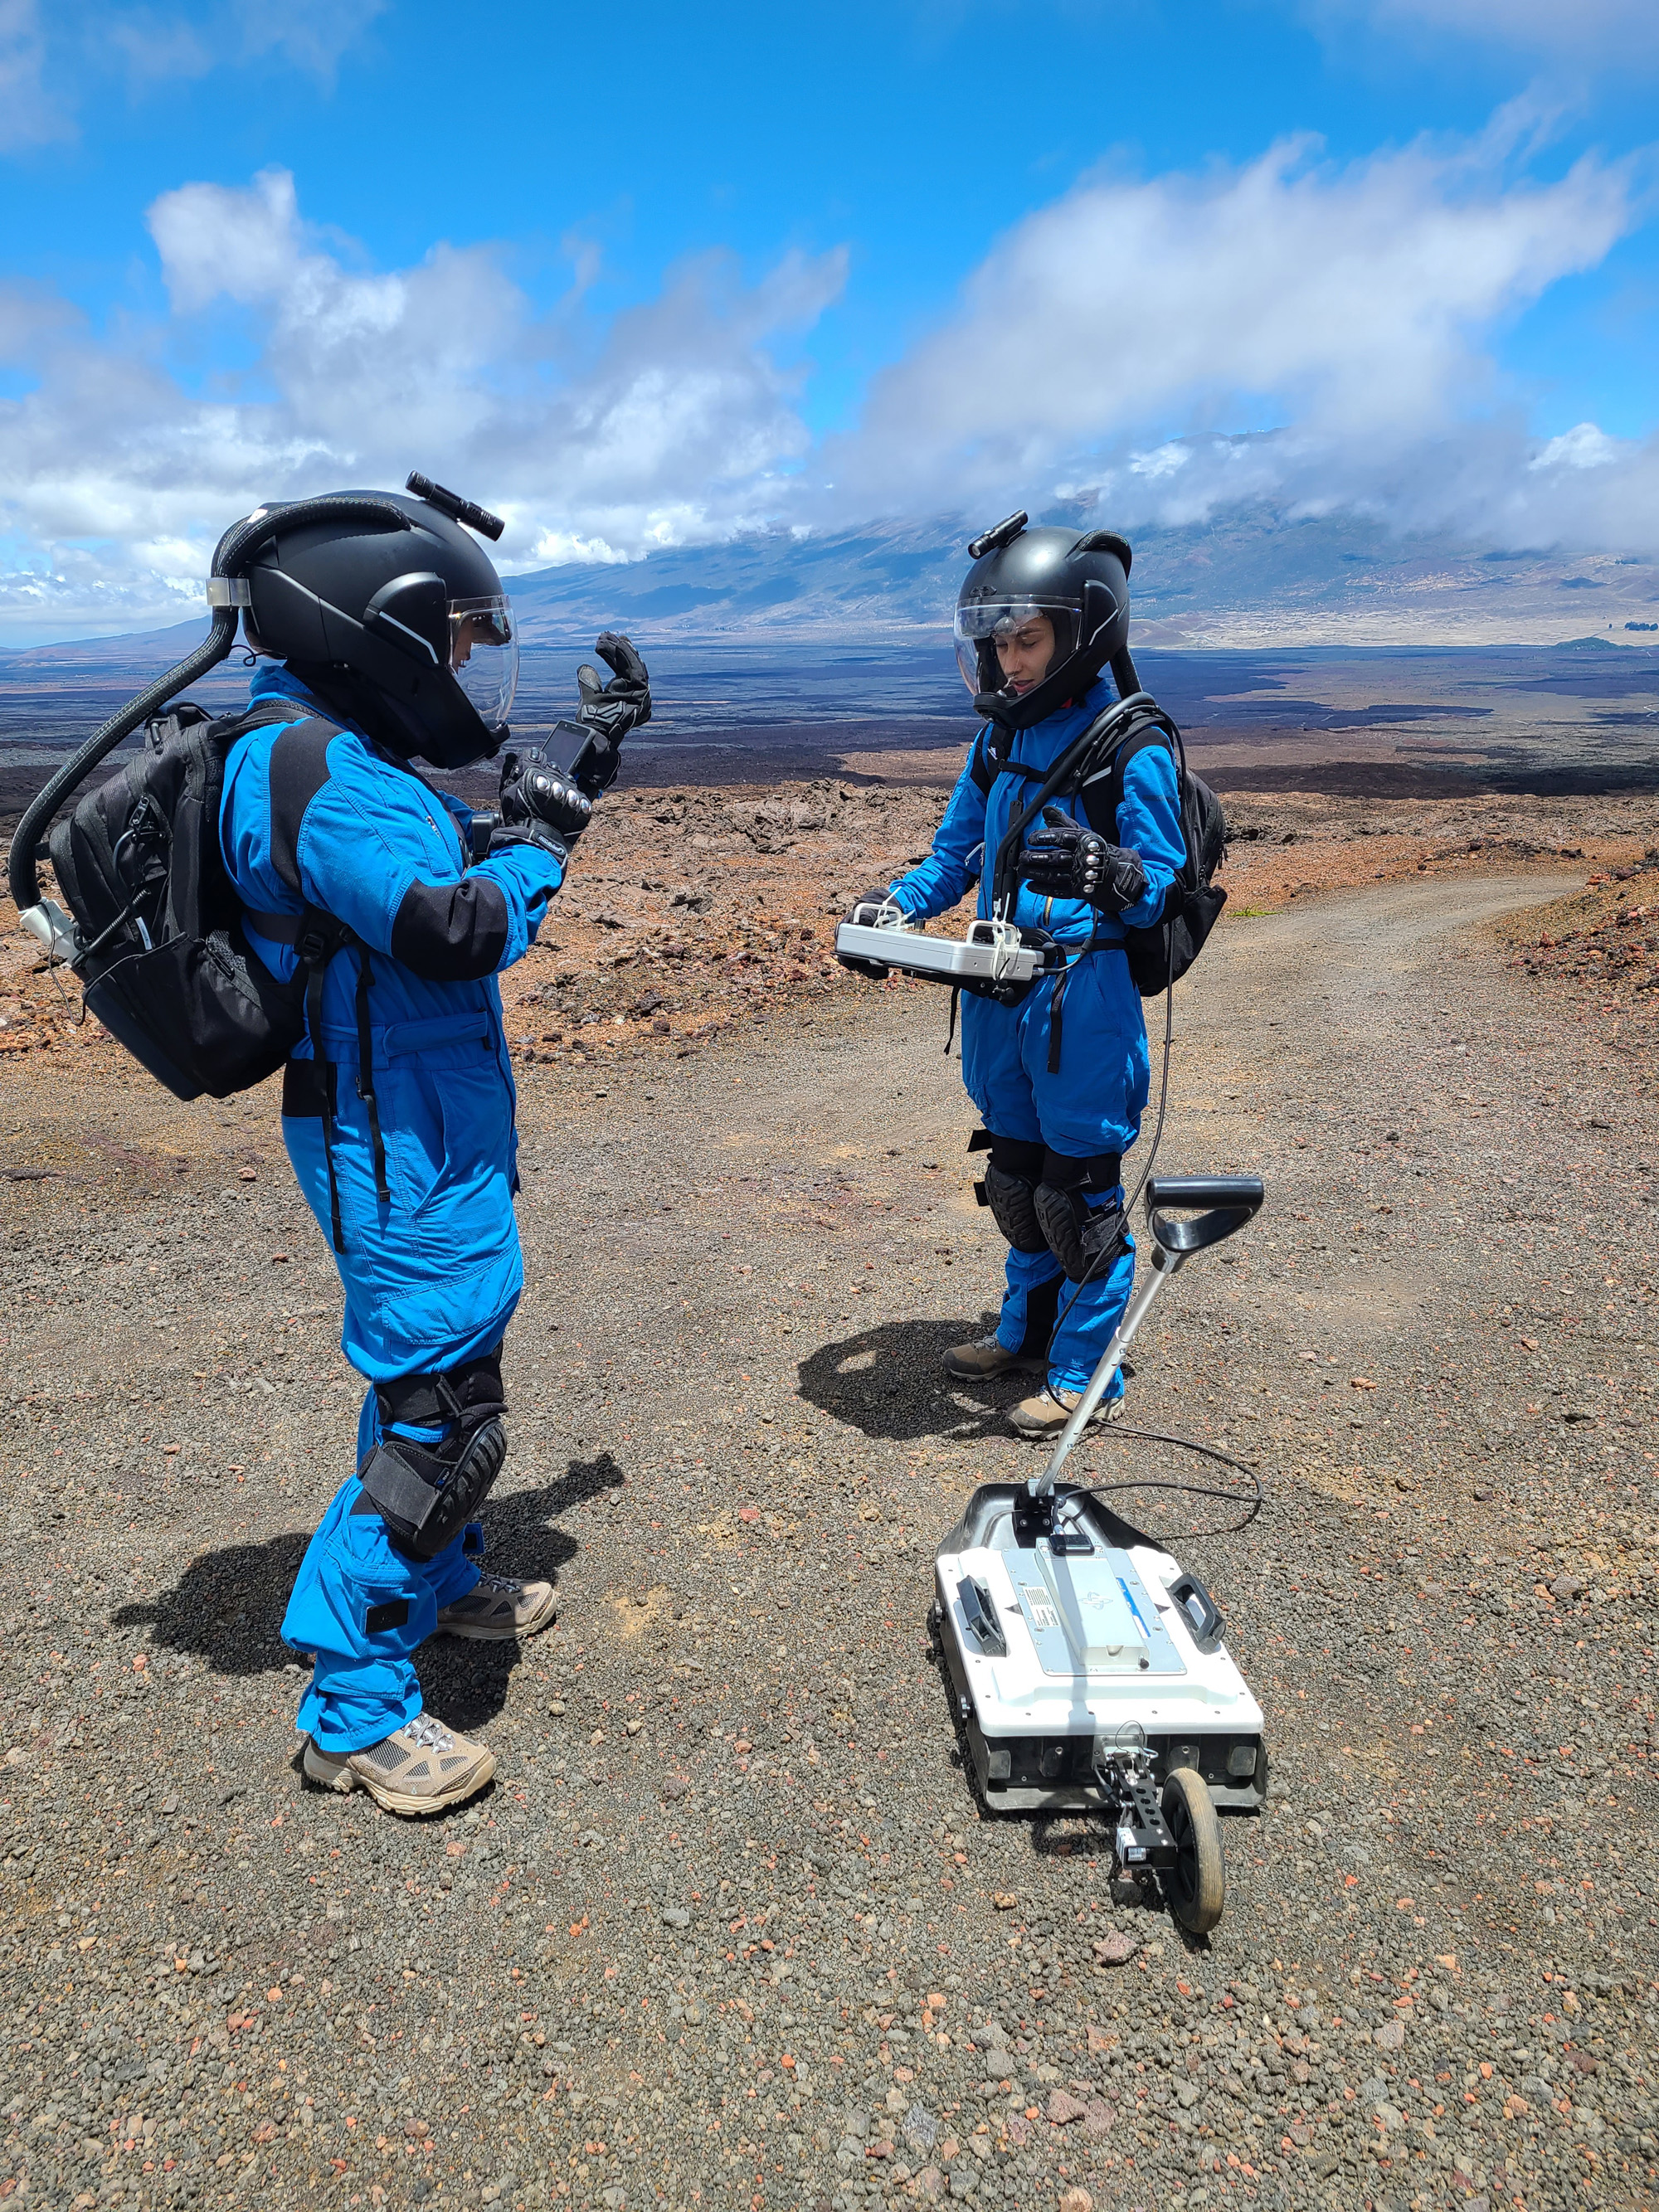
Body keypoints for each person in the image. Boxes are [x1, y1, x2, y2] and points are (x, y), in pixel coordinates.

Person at [216, 482, 651, 1814]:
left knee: (448, 1363)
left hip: (420, 1121)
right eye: (453, 636)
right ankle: (352, 1704)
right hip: (387, 1133)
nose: (465, 661)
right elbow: (447, 926)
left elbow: (411, 877)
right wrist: (546, 844)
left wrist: (572, 765)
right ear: (377, 628)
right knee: (442, 1421)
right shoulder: (313, 767)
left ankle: (443, 1578)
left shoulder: (335, 750)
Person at [857, 518, 1185, 1437]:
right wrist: (893, 908)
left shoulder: (1129, 745)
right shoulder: (997, 739)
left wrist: (1111, 872)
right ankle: (1024, 1330)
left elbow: (1159, 884)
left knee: (1075, 1193)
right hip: (997, 994)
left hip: (1082, 998)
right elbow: (955, 851)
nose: (1008, 661)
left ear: (1084, 633)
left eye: (1025, 640)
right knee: (1014, 1179)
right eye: (997, 643)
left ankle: (1086, 1372)